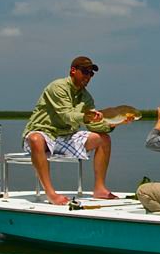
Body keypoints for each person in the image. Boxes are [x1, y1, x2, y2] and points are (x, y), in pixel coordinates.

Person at [23, 55, 118, 204]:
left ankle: (99, 188)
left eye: (91, 74)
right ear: (73, 71)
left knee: (103, 138)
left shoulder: (86, 97)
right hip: (44, 132)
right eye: (85, 72)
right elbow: (67, 115)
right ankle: (50, 193)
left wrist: (111, 124)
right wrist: (86, 117)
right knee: (35, 139)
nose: (88, 76)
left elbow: (92, 125)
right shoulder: (58, 87)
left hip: (66, 136)